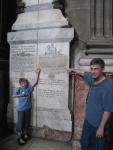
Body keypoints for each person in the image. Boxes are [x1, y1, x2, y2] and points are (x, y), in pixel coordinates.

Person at [67, 58, 113, 150]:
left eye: (96, 69)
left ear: (102, 69)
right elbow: (83, 73)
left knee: (97, 147)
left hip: (98, 125)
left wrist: (101, 128)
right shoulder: (92, 78)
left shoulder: (108, 87)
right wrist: (72, 70)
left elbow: (108, 110)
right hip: (88, 122)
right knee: (84, 143)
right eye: (91, 69)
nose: (93, 71)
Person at [13, 68, 40, 145]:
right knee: (20, 123)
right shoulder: (18, 89)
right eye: (22, 83)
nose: (24, 84)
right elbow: (13, 96)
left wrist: (37, 74)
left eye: (25, 83)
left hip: (28, 108)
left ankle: (25, 134)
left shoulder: (28, 88)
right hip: (21, 109)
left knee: (27, 122)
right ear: (20, 84)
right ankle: (19, 137)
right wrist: (21, 95)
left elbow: (36, 82)